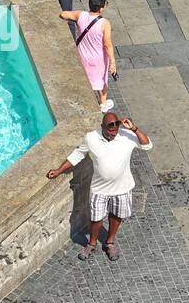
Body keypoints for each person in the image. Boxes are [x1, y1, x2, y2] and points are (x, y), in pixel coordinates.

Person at [47, 111, 152, 261]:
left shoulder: (126, 136)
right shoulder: (91, 138)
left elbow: (147, 145)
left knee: (116, 216)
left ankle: (109, 242)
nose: (113, 133)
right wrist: (58, 170)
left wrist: (134, 128)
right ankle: (92, 243)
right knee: (96, 218)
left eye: (115, 129)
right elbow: (78, 154)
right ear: (102, 126)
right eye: (110, 130)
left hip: (122, 188)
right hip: (99, 189)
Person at [61, 0, 115, 113]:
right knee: (101, 82)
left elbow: (64, 14)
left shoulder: (81, 15)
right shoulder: (104, 23)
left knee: (85, 79)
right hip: (98, 59)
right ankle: (103, 103)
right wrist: (113, 62)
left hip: (82, 56)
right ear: (101, 8)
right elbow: (107, 44)